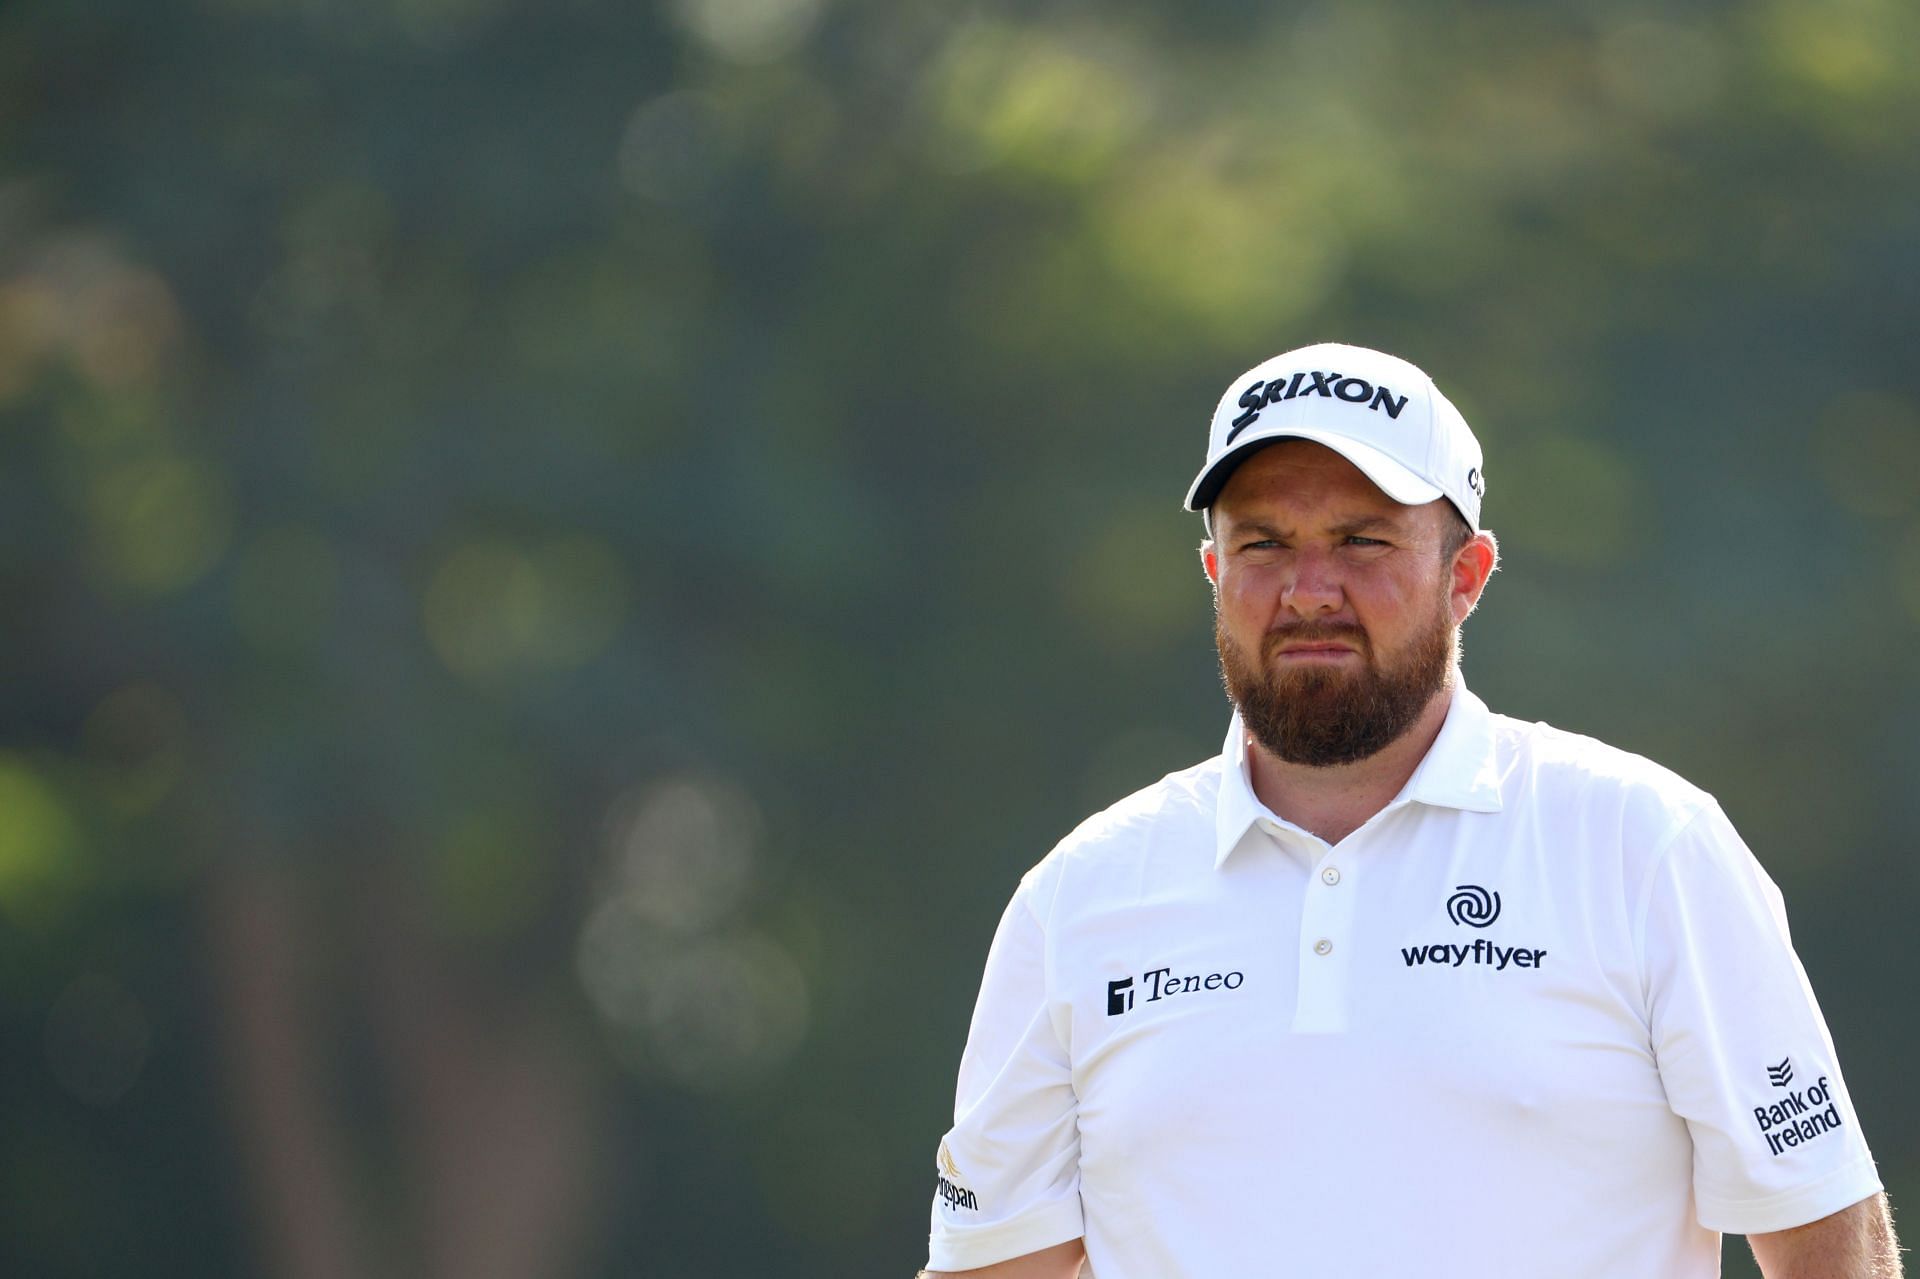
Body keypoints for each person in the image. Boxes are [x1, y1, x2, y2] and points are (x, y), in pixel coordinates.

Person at [918, 343, 1901, 1279]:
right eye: (1264, 543)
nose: (1310, 590)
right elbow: (997, 1263)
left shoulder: (1643, 845)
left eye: (1363, 540)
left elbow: (1821, 1222)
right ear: (1215, 574)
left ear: (1464, 576)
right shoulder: (1079, 897)